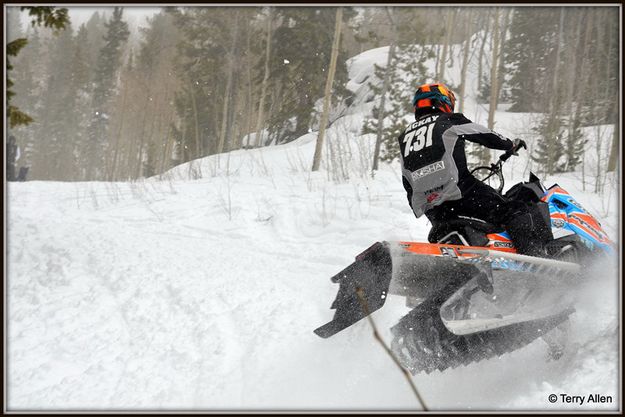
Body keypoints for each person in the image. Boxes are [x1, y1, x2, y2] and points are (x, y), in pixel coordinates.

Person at [397, 82, 552, 257]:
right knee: (515, 209)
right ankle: (534, 255)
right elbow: (485, 134)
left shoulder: (404, 138)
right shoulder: (448, 121)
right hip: (462, 194)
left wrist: (427, 200)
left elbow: (406, 179)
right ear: (443, 101)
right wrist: (509, 144)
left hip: (433, 208)